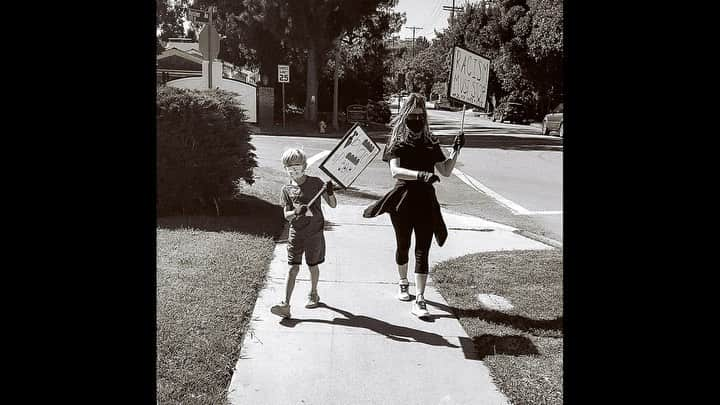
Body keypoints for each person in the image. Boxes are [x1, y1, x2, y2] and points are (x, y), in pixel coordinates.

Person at [363, 93, 465, 318]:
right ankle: (402, 282)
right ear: (405, 115)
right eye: (412, 115)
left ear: (425, 117)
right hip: (403, 200)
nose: (417, 119)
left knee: (423, 249)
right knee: (403, 245)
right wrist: (421, 175)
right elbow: (395, 171)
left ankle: (420, 298)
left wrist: (456, 150)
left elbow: (446, 170)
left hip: (426, 201)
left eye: (420, 115)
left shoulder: (430, 141)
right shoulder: (396, 141)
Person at [271, 148, 338, 318]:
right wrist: (296, 212)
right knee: (292, 268)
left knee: (312, 265)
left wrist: (329, 191)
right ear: (285, 168)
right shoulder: (286, 189)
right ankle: (285, 305)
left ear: (304, 165)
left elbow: (332, 204)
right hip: (296, 234)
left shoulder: (315, 182)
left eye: (297, 165)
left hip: (314, 233)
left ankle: (313, 293)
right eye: (289, 167)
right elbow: (286, 215)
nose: (293, 170)